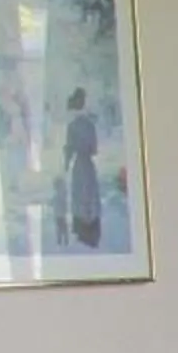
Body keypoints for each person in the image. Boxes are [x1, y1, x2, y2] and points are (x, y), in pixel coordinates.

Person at [62, 87, 102, 248]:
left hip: (79, 164)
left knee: (80, 194)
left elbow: (69, 148)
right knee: (89, 194)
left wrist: (65, 165)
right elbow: (94, 149)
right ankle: (91, 230)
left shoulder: (72, 126)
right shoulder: (90, 125)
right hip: (87, 165)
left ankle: (81, 231)